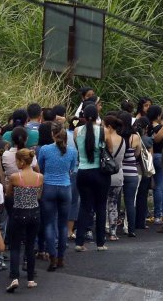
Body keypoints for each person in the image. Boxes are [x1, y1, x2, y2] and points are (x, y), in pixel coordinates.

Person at [37, 122, 75, 272]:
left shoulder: (45, 149)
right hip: (65, 187)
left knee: (49, 223)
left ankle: (52, 256)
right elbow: (71, 169)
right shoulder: (72, 151)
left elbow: (41, 167)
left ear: (53, 135)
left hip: (48, 187)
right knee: (63, 224)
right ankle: (61, 257)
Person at [5, 148, 42, 292]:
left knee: (15, 246)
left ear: (21, 161)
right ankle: (31, 279)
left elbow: (8, 194)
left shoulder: (15, 177)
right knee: (30, 245)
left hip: (18, 213)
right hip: (34, 213)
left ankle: (15, 277)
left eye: (17, 161)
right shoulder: (40, 177)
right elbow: (39, 196)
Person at [72, 104, 108, 252]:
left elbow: (78, 147)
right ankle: (100, 243)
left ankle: (79, 242)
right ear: (97, 116)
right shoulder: (102, 130)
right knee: (100, 207)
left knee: (84, 207)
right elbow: (108, 148)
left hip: (83, 171)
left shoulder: (76, 131)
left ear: (84, 116)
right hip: (99, 172)